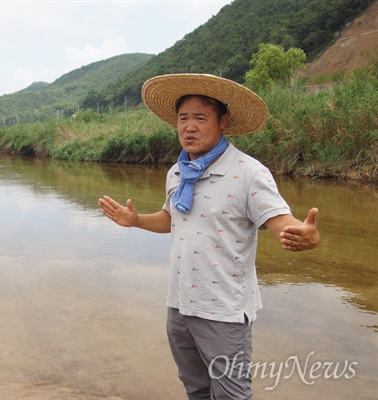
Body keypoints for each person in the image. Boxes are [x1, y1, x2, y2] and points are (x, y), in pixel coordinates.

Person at [98, 73, 320, 400]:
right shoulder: (177, 172)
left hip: (224, 312)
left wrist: (303, 234)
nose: (189, 126)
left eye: (200, 118)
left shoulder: (248, 172)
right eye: (183, 118)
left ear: (223, 121)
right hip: (179, 305)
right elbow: (173, 218)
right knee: (196, 389)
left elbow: (278, 219)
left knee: (232, 395)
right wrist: (135, 221)